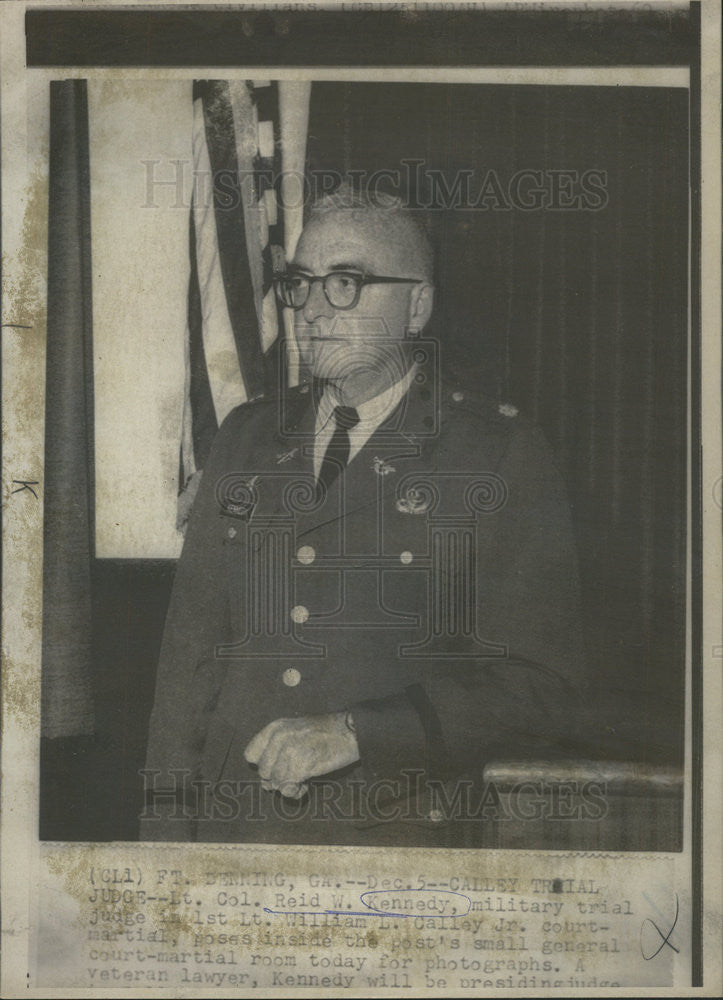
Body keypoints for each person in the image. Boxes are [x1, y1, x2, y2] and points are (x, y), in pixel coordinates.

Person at [142, 186, 586, 845]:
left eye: (345, 281)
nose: (313, 309)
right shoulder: (245, 436)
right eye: (300, 282)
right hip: (233, 835)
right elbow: (186, 679)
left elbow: (544, 691)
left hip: (388, 842)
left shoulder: (494, 454)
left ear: (417, 306)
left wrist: (359, 731)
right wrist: (162, 849)